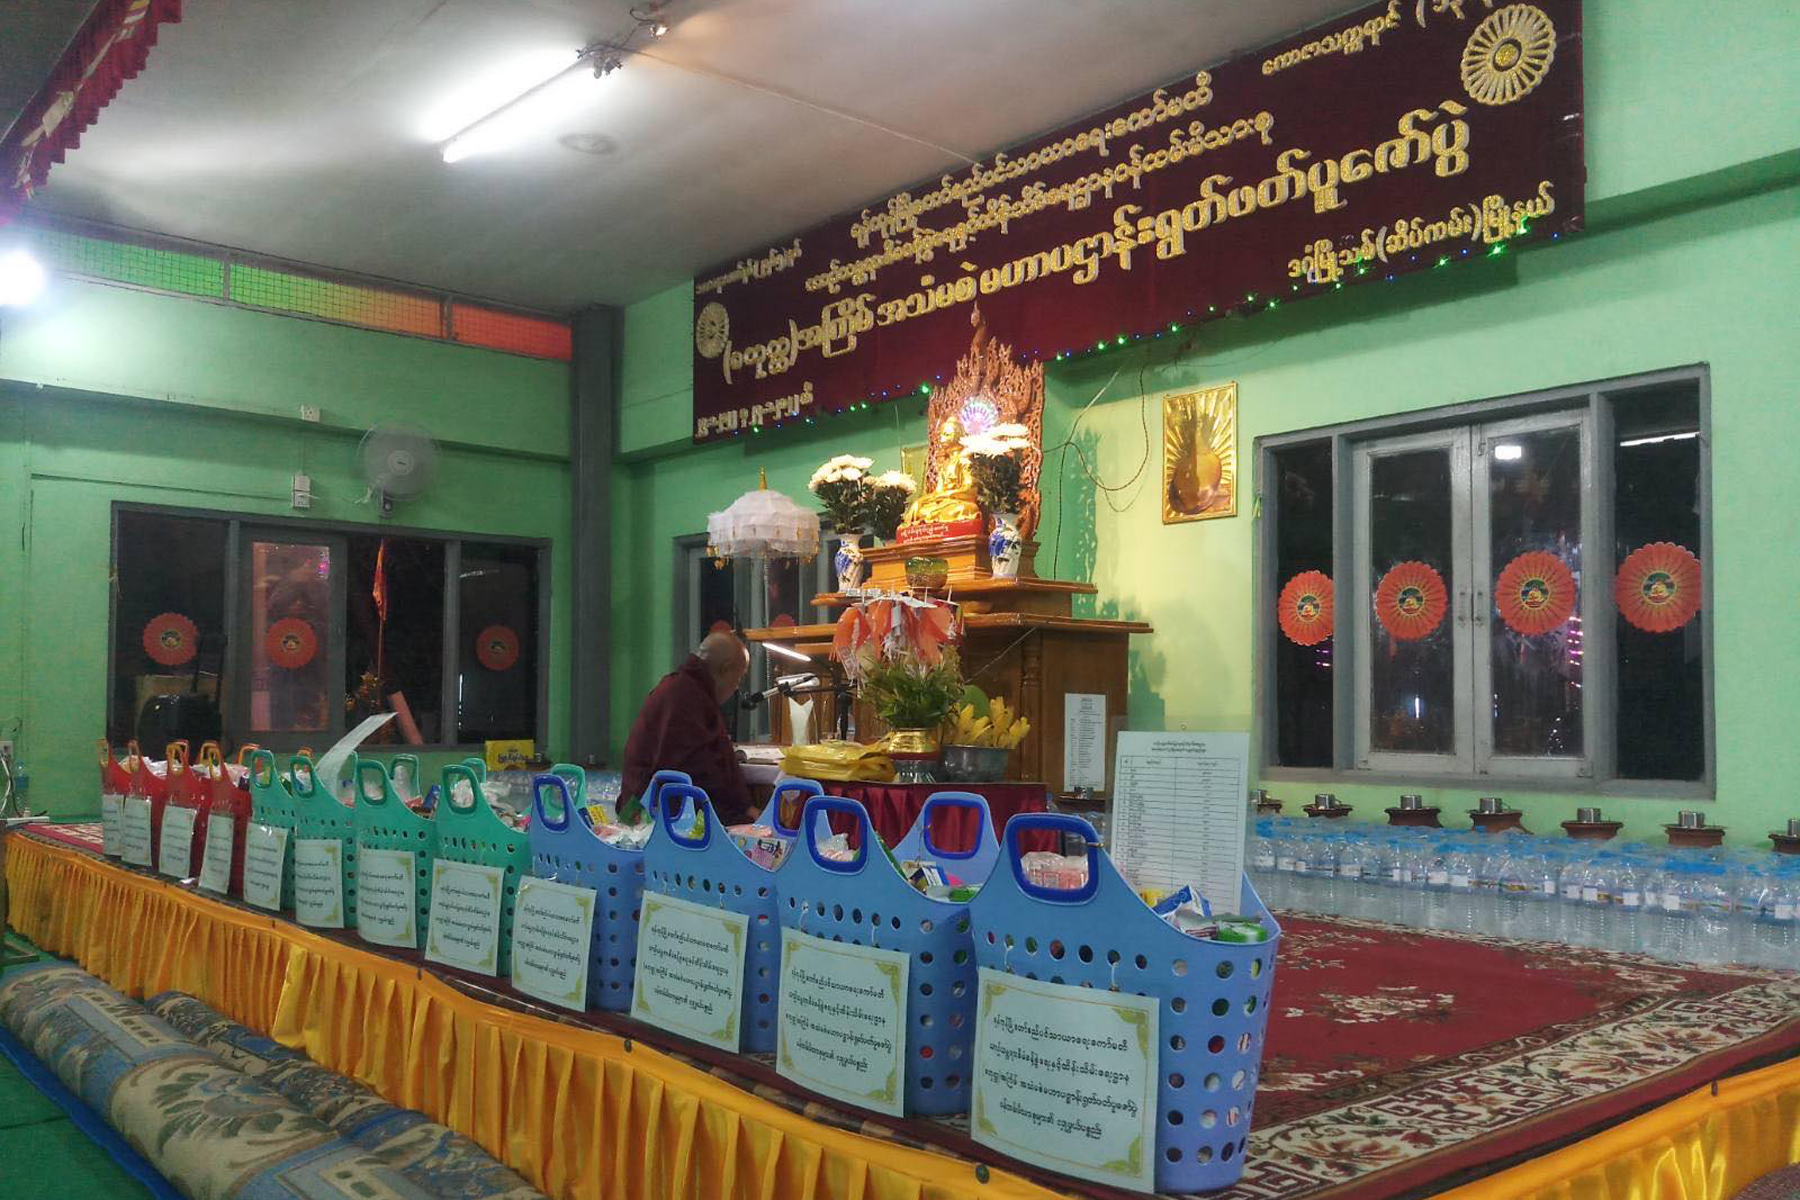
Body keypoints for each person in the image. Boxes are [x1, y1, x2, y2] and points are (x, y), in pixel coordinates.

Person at [619, 631, 755, 825]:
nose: (736, 688)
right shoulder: (684, 696)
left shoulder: (686, 689)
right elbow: (691, 766)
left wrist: (744, 805)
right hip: (649, 815)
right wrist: (742, 809)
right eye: (739, 678)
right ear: (725, 669)